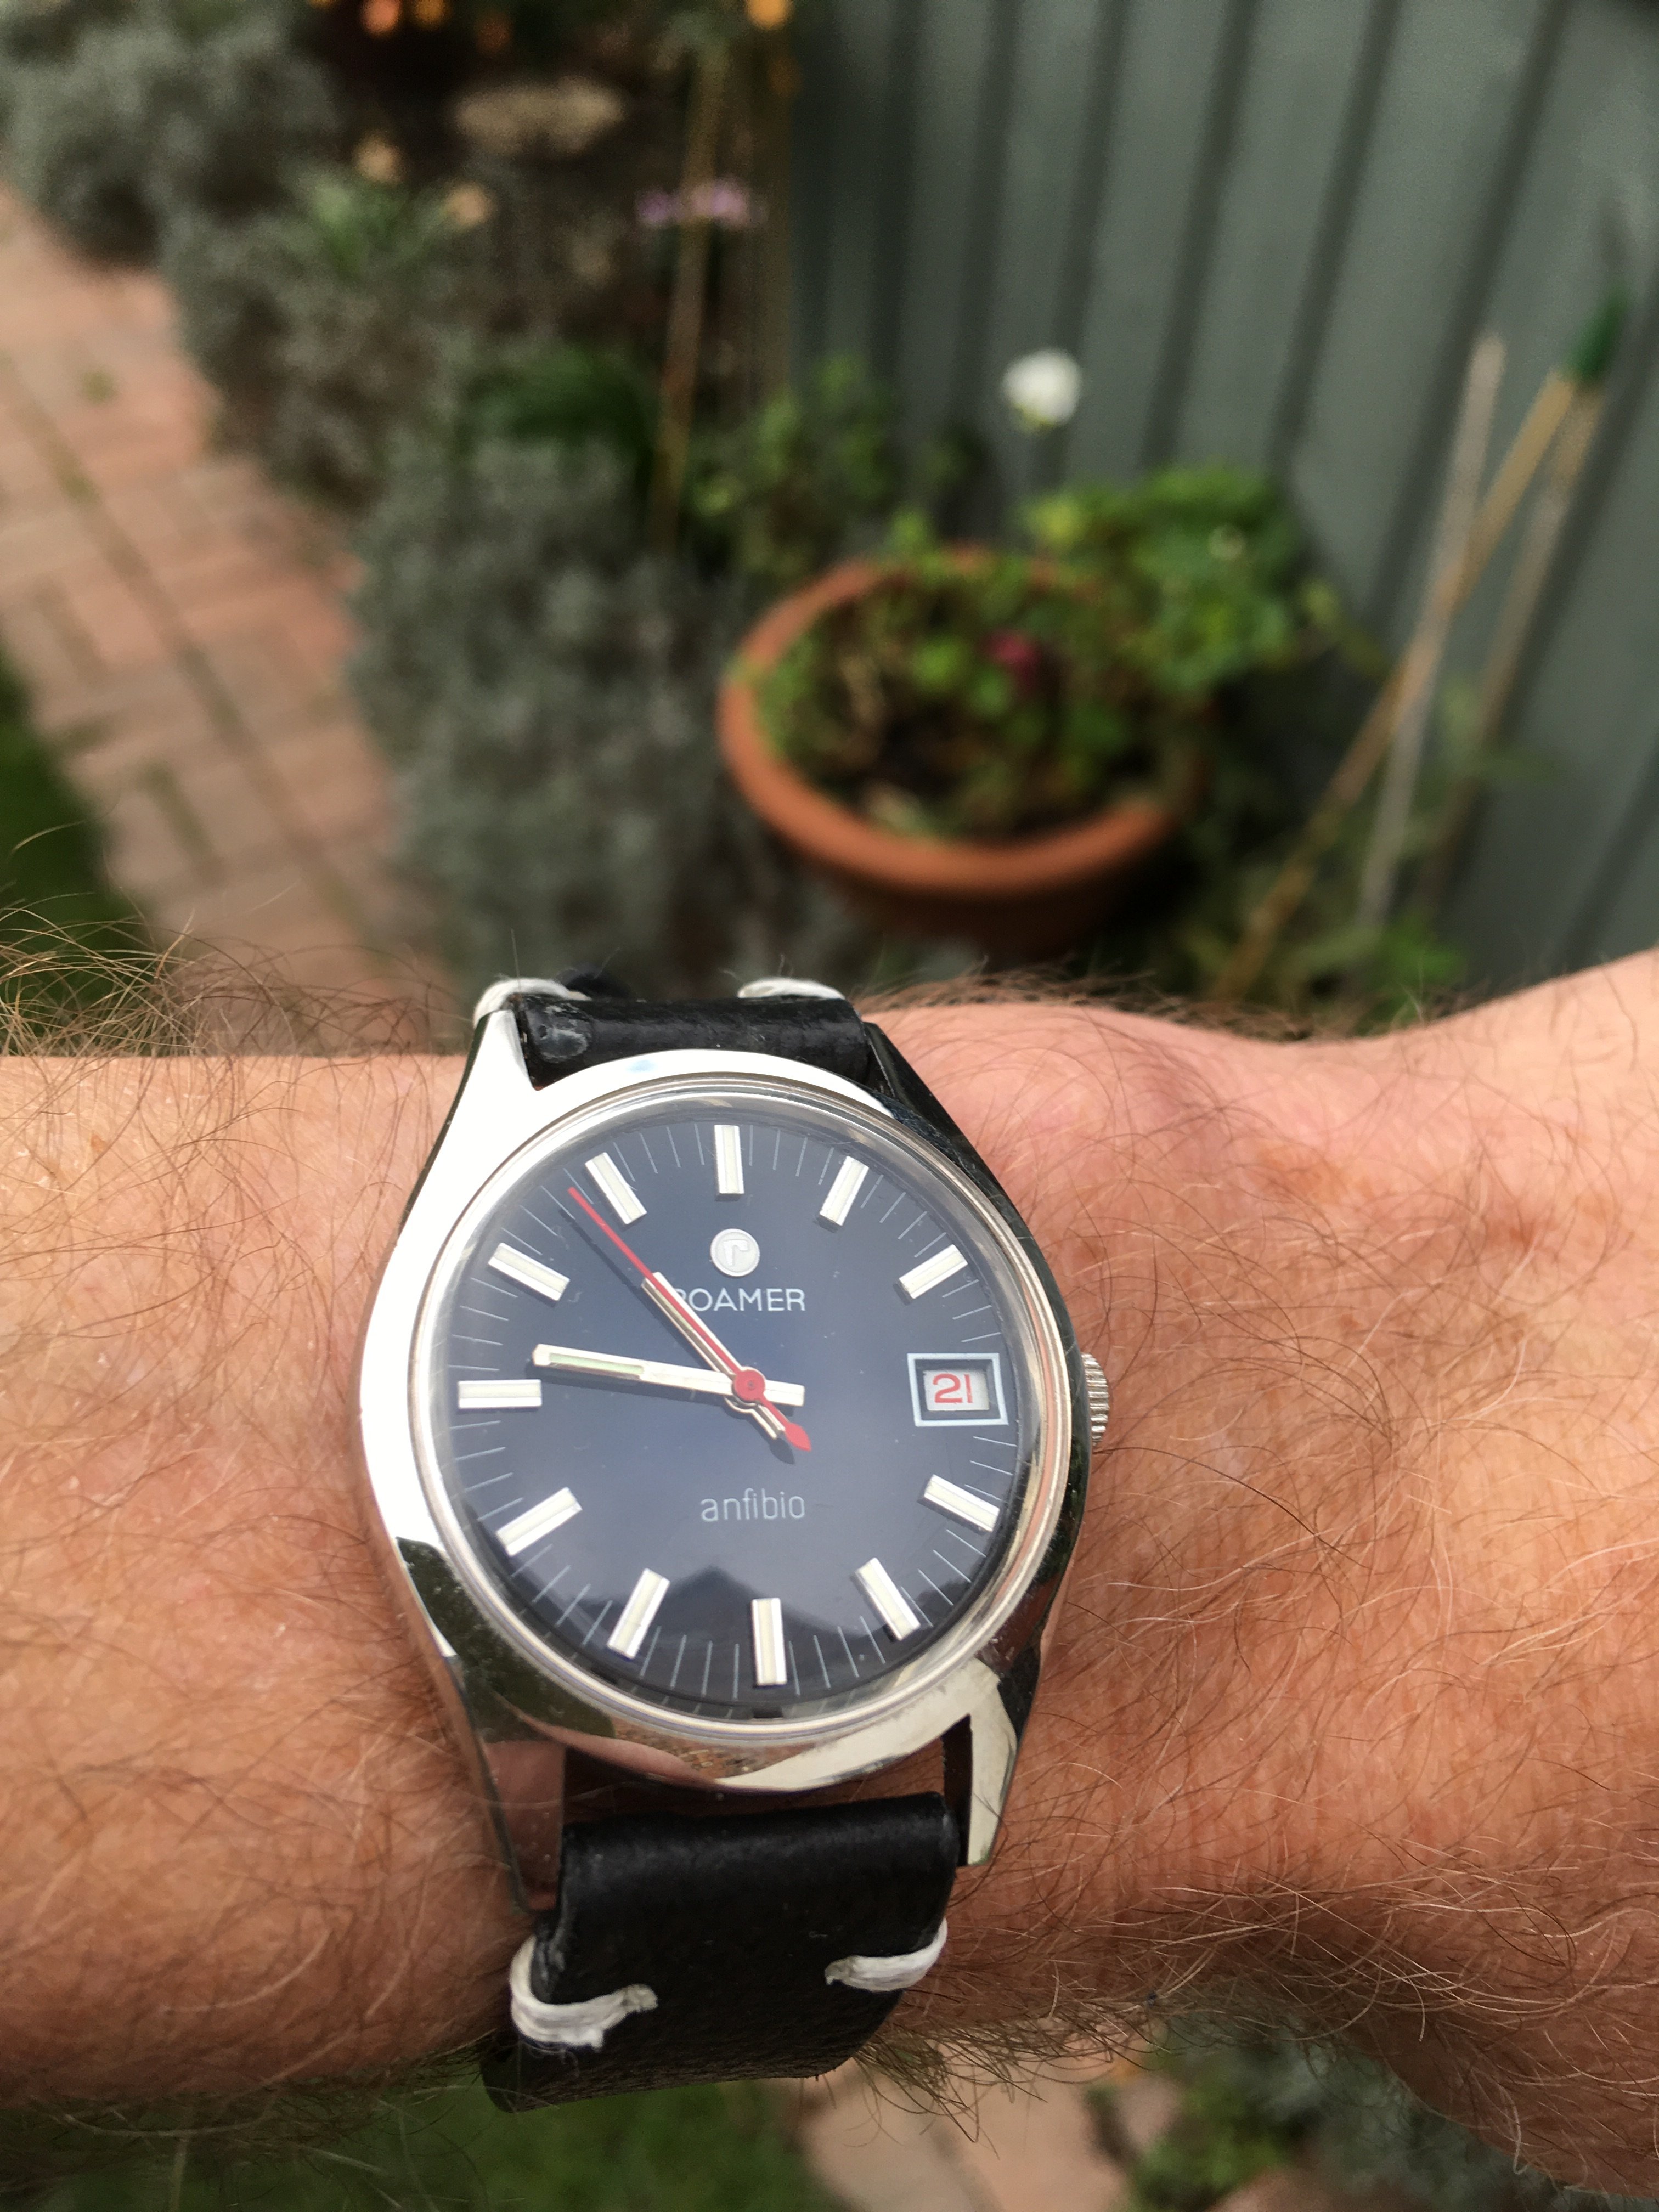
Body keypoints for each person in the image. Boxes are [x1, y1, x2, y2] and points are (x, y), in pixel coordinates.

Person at [4, 949, 1659, 2192]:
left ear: (1069, 1403)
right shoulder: (462, 1371)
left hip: (906, 1653)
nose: (756, 1394)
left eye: (759, 1389)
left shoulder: (1027, 1445)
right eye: (741, 1387)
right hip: (631, 1660)